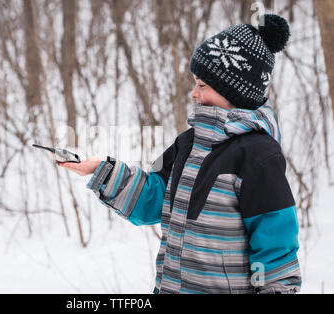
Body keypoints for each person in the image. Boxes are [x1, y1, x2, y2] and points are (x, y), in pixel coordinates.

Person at [58, 14, 301, 294]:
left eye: (202, 85)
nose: (193, 93)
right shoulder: (186, 142)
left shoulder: (259, 157)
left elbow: (275, 248)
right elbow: (154, 198)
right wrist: (104, 170)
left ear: (233, 92)